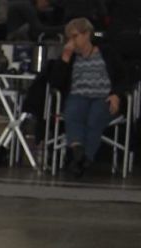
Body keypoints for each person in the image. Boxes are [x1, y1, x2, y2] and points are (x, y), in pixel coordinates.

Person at [49, 16, 125, 176]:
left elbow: (122, 76)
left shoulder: (106, 52)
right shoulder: (70, 57)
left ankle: (82, 159)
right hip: (78, 94)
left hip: (103, 96)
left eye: (75, 36)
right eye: (69, 38)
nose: (72, 41)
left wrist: (116, 94)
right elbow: (56, 82)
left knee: (95, 117)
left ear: (87, 34)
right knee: (73, 112)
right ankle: (79, 153)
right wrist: (65, 58)